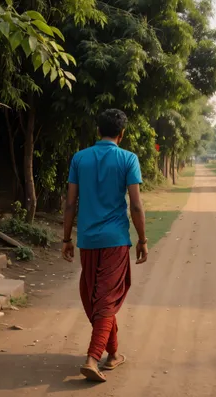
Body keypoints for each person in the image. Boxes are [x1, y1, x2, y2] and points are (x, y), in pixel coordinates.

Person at [61, 108, 149, 382]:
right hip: (115, 241)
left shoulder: (80, 158)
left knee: (98, 299)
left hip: (87, 240)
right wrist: (143, 239)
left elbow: (70, 203)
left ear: (98, 131)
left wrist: (66, 238)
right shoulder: (128, 159)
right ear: (121, 134)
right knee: (106, 299)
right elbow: (135, 204)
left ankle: (112, 353)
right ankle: (92, 357)